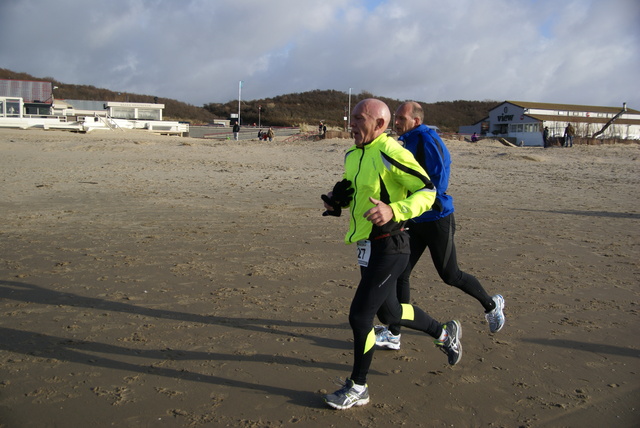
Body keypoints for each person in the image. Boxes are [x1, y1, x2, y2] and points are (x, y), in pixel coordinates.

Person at [321, 98, 462, 410]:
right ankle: (445, 335)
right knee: (392, 314)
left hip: (392, 244)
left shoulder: (391, 152)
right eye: (351, 118)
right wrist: (337, 201)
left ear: (380, 124)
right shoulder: (353, 154)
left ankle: (358, 386)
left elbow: (427, 191)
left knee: (360, 316)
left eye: (359, 118)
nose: (352, 124)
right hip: (367, 246)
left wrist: (394, 209)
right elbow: (356, 191)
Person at [374, 101, 505, 352]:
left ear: (416, 121)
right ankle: (393, 333)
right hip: (412, 219)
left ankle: (491, 305)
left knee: (450, 275)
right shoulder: (406, 142)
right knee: (401, 273)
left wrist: (420, 201)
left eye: (401, 118)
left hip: (436, 219)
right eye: (396, 117)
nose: (397, 121)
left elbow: (440, 177)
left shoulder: (427, 139)